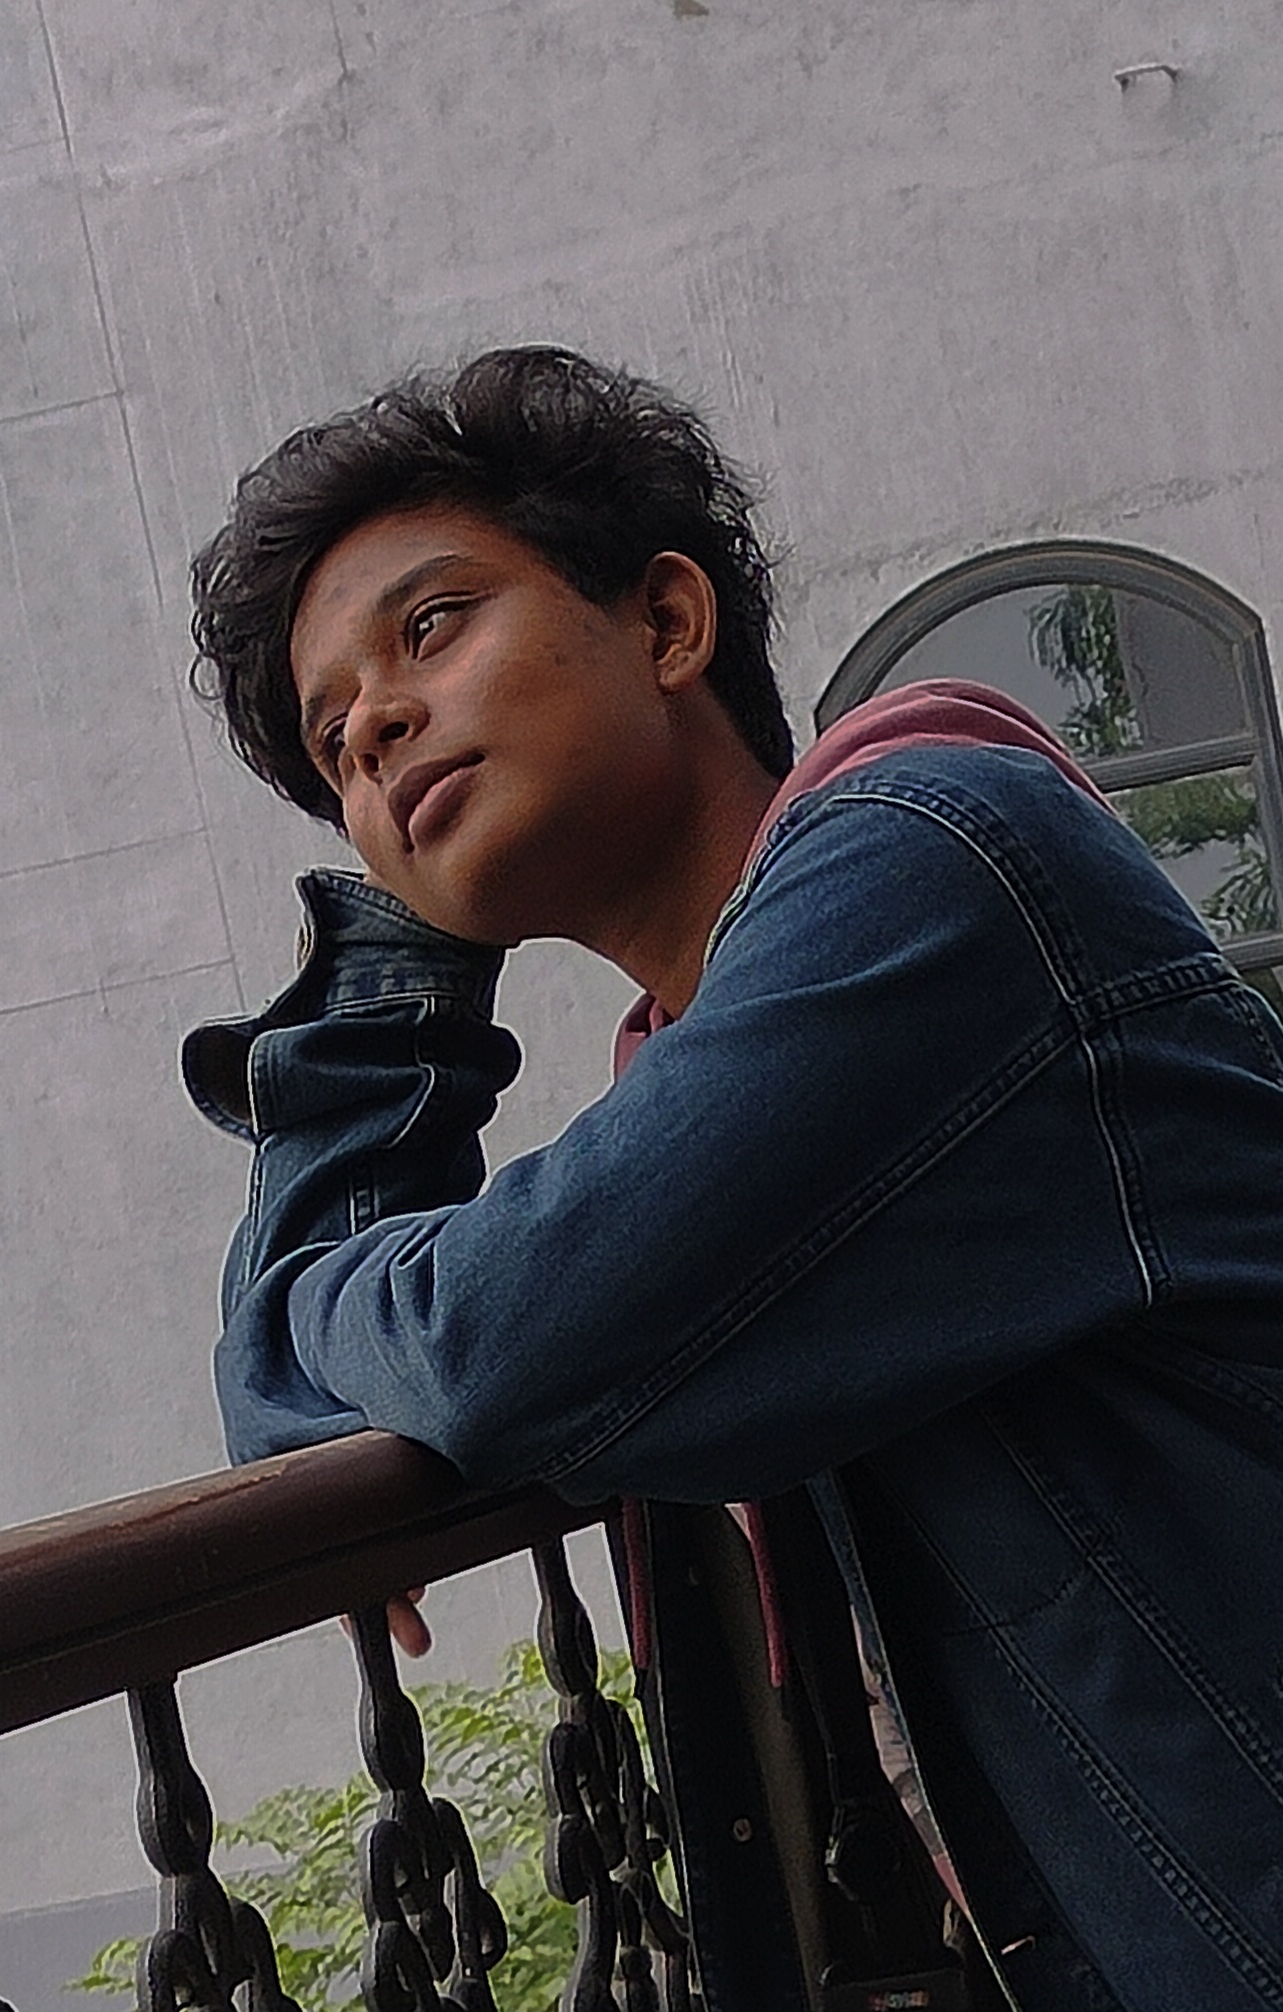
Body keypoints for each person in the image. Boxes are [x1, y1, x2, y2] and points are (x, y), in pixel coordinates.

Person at [181, 347, 1283, 2012]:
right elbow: (308, 1378)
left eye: (434, 627)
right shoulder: (700, 1059)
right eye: (335, 745)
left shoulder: (933, 863)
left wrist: (377, 1056)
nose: (378, 727)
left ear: (668, 621)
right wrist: (407, 945)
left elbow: (492, 1342)